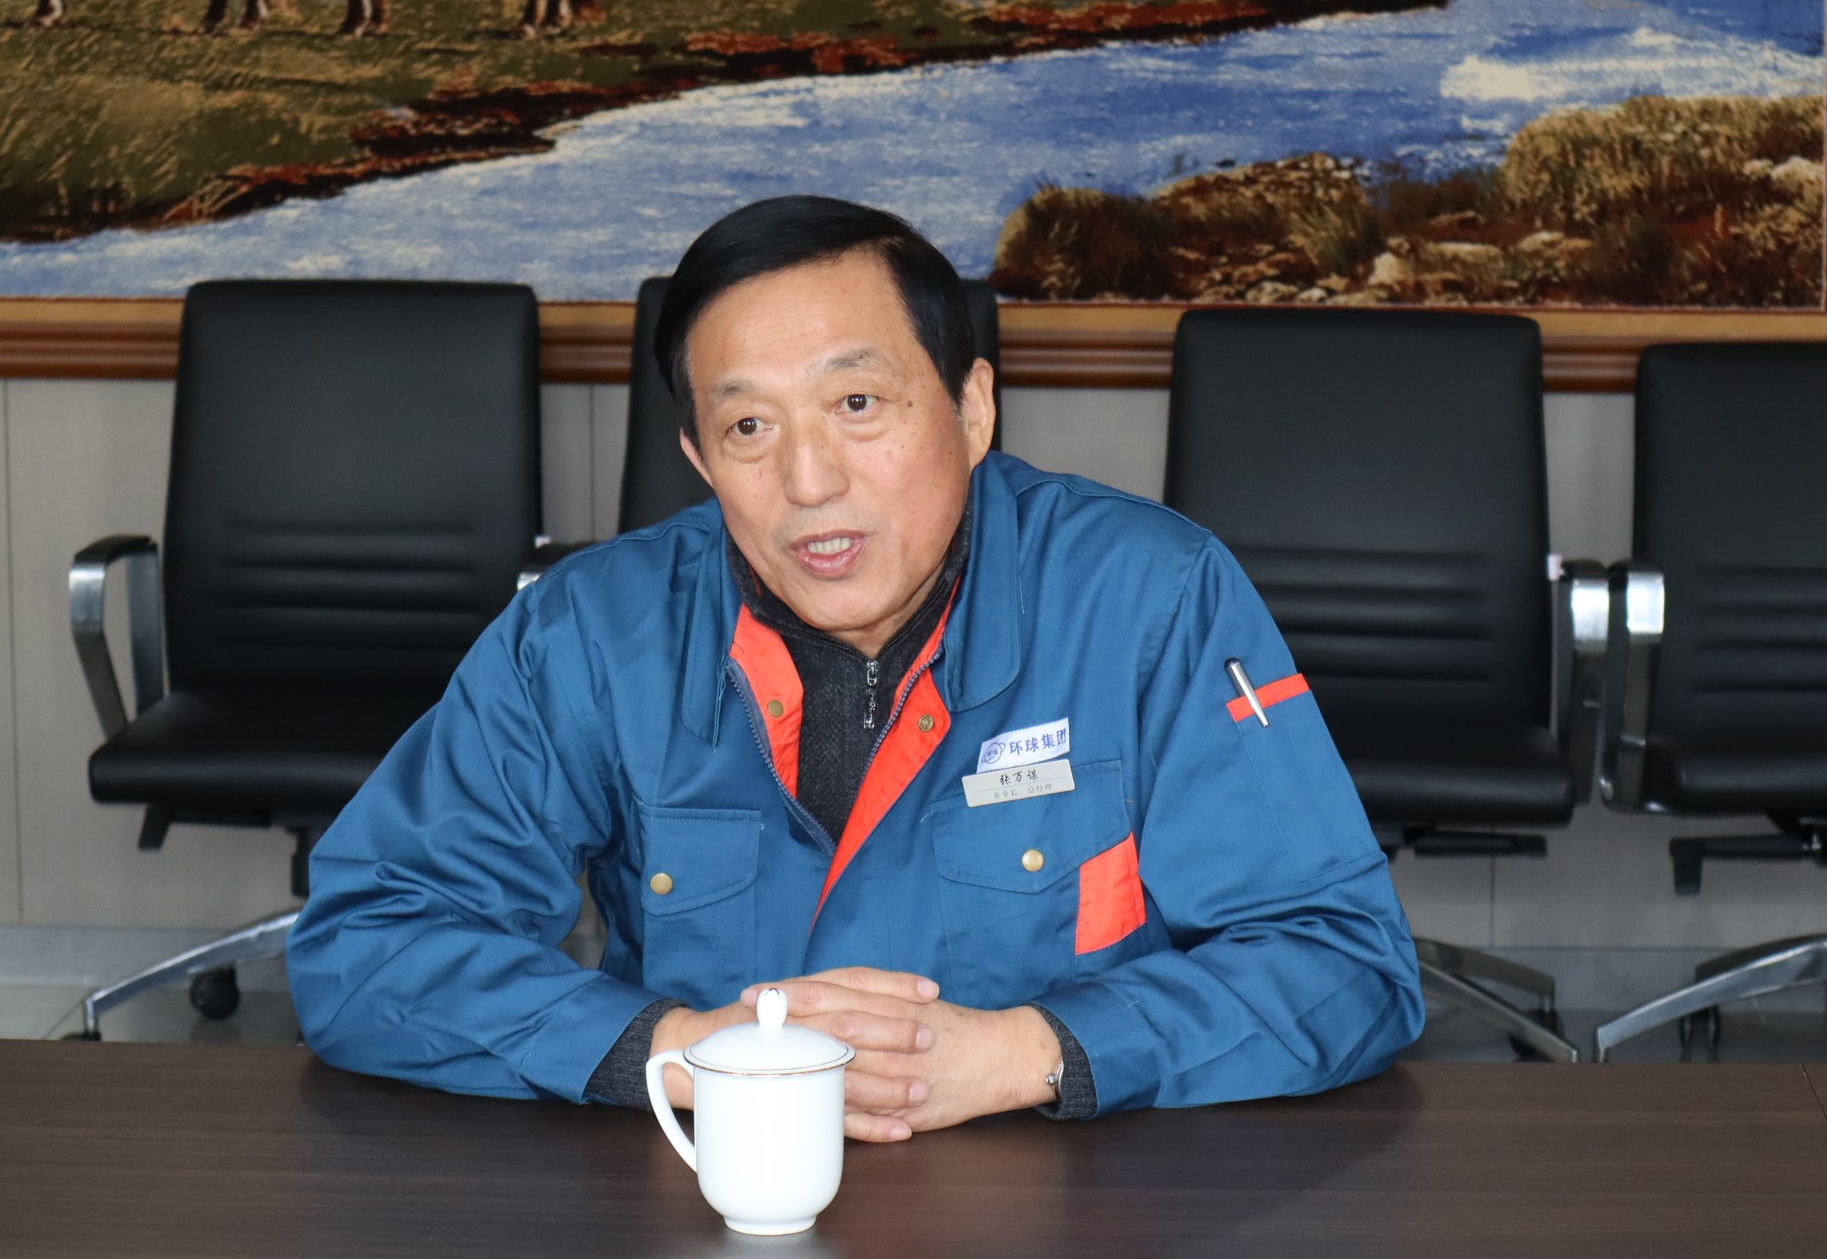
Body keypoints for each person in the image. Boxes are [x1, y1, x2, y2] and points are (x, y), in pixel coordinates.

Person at [288, 195, 1424, 1139]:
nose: (809, 481)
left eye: (857, 403)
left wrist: (1033, 1052)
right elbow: (366, 944)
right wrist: (678, 1053)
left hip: (1076, 1198)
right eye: (748, 428)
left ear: (972, 408)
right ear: (698, 458)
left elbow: (1343, 962)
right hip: (721, 1194)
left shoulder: (1149, 597)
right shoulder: (590, 630)